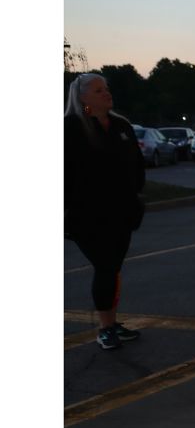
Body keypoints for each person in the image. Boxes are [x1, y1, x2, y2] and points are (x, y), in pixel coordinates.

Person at [64, 73, 147, 350]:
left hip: (122, 213)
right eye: (99, 90)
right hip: (87, 216)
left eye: (107, 88)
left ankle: (111, 323)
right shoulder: (71, 128)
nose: (106, 94)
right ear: (83, 97)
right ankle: (105, 328)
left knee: (112, 268)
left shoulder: (121, 125)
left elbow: (136, 165)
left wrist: (137, 195)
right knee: (106, 266)